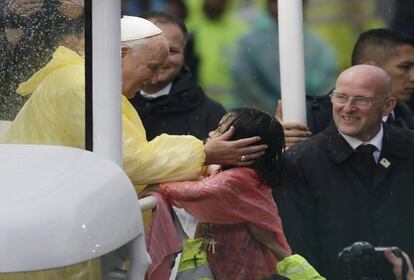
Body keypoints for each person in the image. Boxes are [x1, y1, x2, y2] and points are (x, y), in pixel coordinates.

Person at [0, 16, 266, 280]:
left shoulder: (86, 82)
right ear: (121, 53)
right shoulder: (80, 87)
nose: (154, 78)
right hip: (46, 242)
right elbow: (130, 160)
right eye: (151, 67)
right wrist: (204, 152)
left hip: (52, 232)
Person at [276, 64, 414, 279]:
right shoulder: (299, 162)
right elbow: (299, 249)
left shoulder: (409, 149)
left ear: (388, 106)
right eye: (340, 97)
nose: (348, 108)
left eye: (361, 100)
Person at [156, 107, 326, 279]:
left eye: (220, 130)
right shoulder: (247, 174)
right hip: (236, 260)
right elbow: (211, 170)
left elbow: (191, 192)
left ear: (241, 144)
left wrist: (154, 181)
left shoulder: (237, 179)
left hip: (248, 267)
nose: (211, 133)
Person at [280, 28, 414, 146]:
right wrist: (275, 141)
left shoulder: (406, 117)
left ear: (389, 105)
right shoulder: (307, 117)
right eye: (404, 67)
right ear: (370, 67)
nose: (412, 77)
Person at [129, 11, 226, 141]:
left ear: (184, 54)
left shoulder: (211, 113)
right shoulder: (108, 105)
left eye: (172, 51)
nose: (162, 59)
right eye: (153, 48)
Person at [232, 0, 338, 114]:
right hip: (260, 122)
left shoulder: (318, 47)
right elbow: (245, 82)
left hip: (307, 121)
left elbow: (325, 83)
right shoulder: (250, 42)